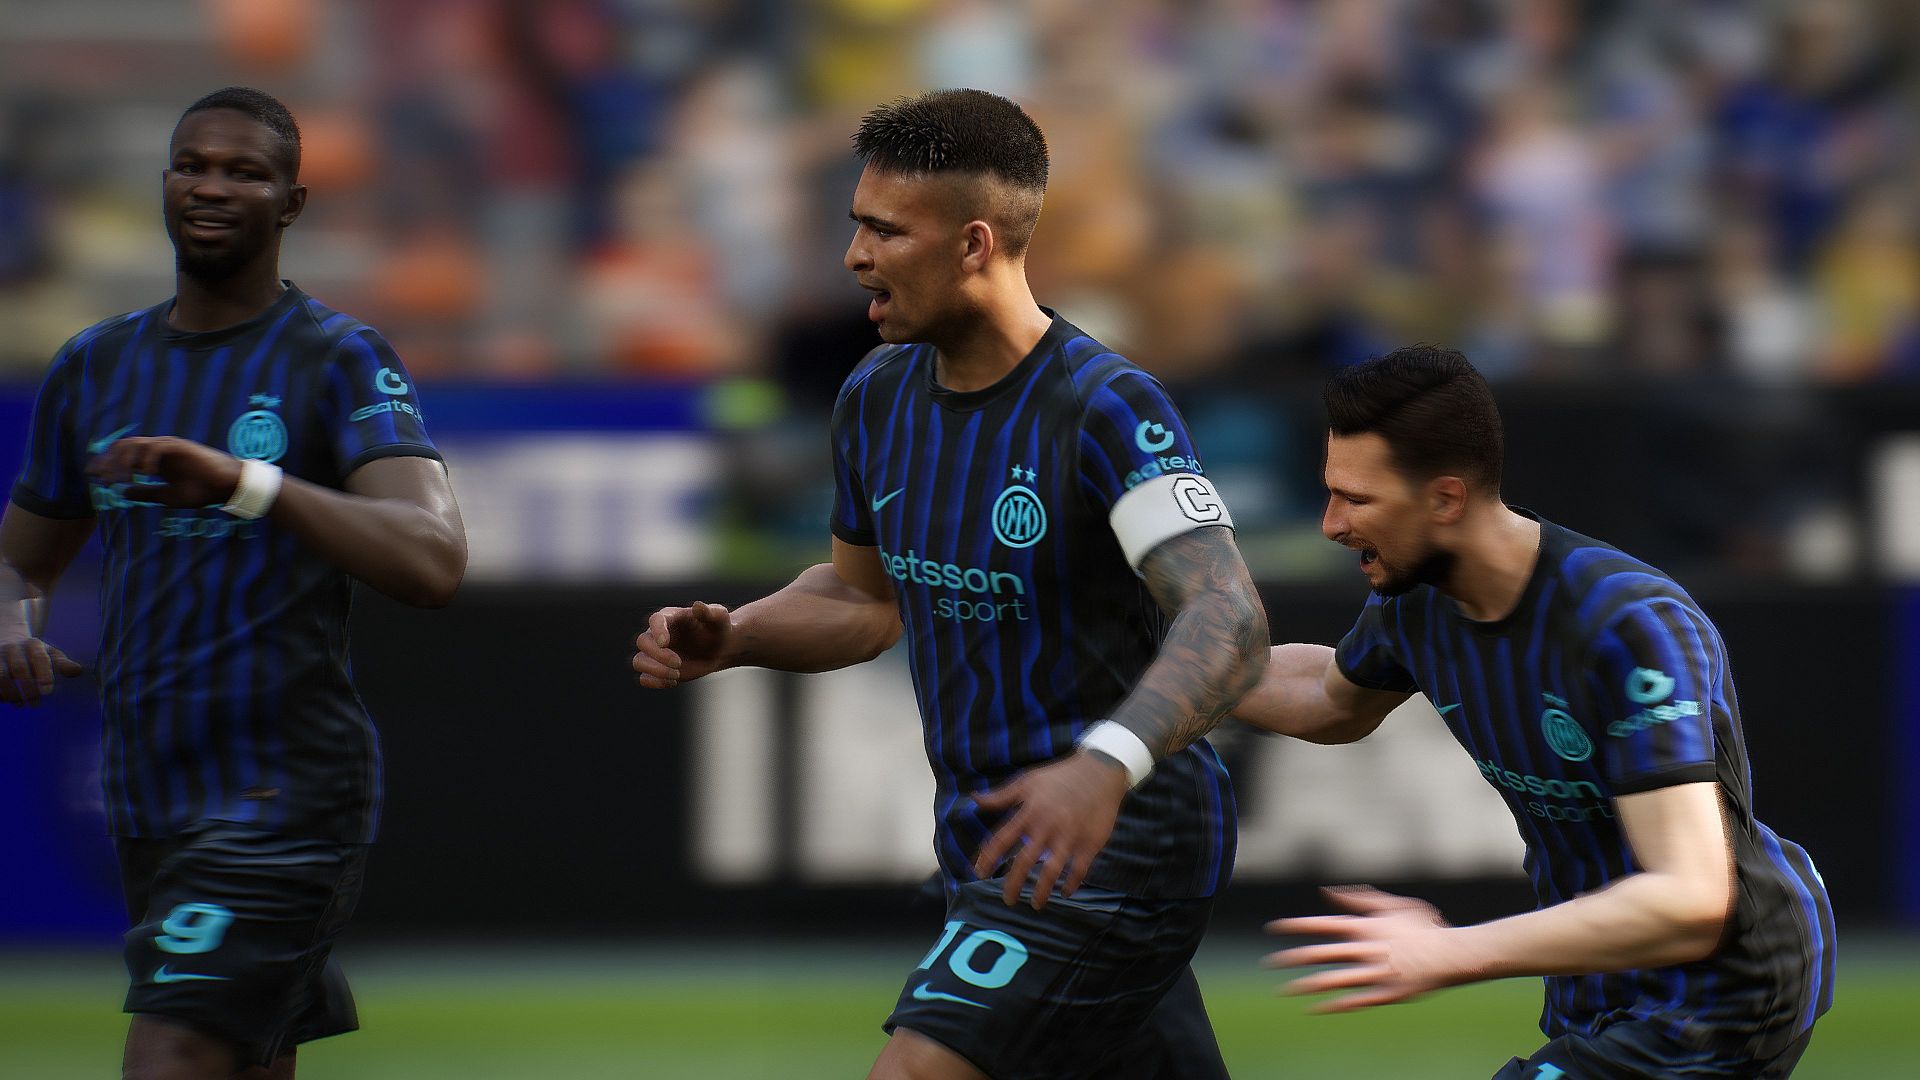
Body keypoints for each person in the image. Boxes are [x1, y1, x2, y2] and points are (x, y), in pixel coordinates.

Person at [631, 88, 1268, 1080]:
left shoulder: (1106, 407)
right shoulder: (876, 396)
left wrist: (1101, 768)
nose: (856, 256)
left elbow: (1230, 619)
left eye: (886, 231)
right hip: (993, 845)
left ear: (974, 244)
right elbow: (863, 601)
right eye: (857, 225)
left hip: (1117, 843)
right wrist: (741, 634)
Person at [0, 87, 466, 1080]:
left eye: (244, 172)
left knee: (169, 1056)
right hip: (148, 795)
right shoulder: (93, 367)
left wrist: (244, 483)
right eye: (193, 165)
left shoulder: (338, 359)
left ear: (291, 204)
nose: (211, 187)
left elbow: (432, 557)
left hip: (280, 797)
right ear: (165, 182)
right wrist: (11, 623)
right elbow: (21, 559)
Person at [1234, 346, 1833, 1078]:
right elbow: (1331, 699)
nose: (1330, 525)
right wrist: (1168, 666)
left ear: (1445, 500)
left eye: (1356, 500)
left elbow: (1691, 898)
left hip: (1719, 996)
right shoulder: (1416, 604)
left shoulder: (1628, 626)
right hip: (1598, 988)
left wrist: (1446, 951)